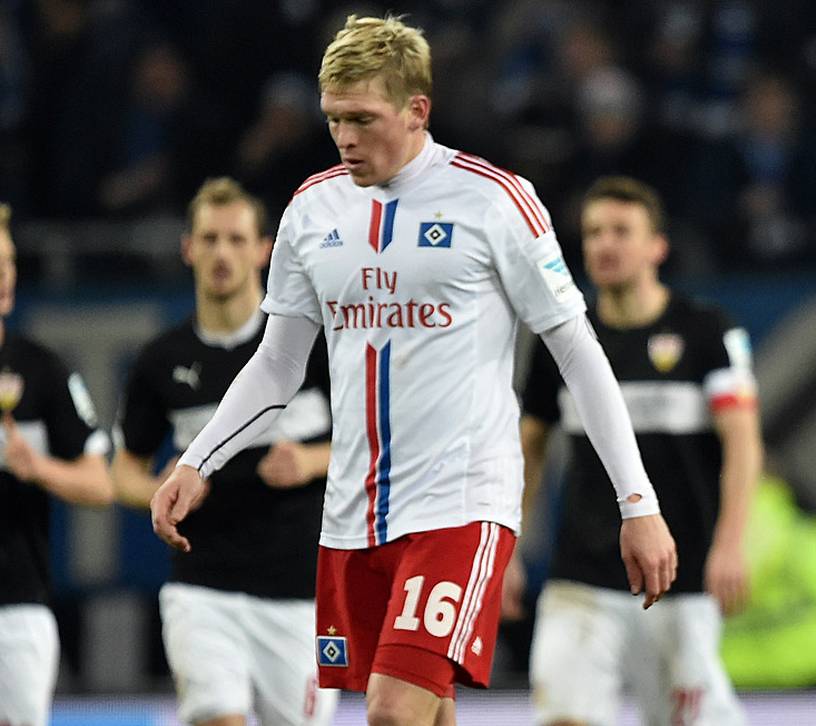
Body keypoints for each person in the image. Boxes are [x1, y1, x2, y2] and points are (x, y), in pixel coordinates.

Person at [150, 15, 677, 726]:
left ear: (417, 109)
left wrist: (637, 505)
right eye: (334, 118)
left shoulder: (494, 200)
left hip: (461, 506)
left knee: (392, 711)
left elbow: (579, 353)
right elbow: (276, 363)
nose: (345, 137)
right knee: (427, 709)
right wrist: (197, 461)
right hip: (352, 515)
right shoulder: (313, 208)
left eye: (363, 118)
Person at [512, 176, 760, 726]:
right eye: (594, 232)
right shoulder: (562, 340)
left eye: (622, 231)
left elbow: (743, 444)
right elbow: (528, 448)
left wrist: (730, 545)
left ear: (657, 247)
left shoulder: (704, 331)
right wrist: (510, 549)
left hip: (682, 573)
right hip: (582, 573)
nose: (604, 244)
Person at [112, 178, 337, 726]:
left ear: (264, 249)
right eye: (209, 239)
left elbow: (380, 440)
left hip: (299, 591)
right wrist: (162, 490)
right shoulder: (160, 360)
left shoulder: (312, 346)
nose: (222, 253)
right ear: (188, 247)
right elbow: (124, 473)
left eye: (237, 240)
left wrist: (309, 460)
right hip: (202, 587)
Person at [0, 202, 113, 726]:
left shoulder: (42, 370)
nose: (4, 275)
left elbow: (100, 484)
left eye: (10, 261)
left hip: (17, 607)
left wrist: (37, 468)